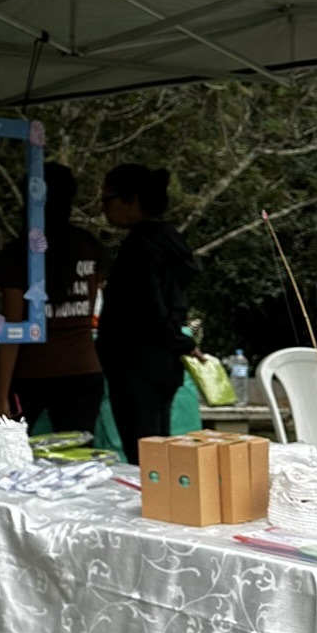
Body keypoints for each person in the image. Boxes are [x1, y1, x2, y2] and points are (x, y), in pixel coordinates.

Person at [95, 161, 199, 465]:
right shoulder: (170, 240)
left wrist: (180, 342)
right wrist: (180, 342)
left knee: (144, 454)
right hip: (162, 362)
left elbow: (149, 306)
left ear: (133, 200)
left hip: (136, 362)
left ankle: (154, 509)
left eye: (107, 200)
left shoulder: (141, 245)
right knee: (157, 448)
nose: (104, 209)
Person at [0, 162, 105, 436]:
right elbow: (88, 308)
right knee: (78, 464)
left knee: (9, 456)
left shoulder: (19, 252)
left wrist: (0, 396)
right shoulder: (88, 245)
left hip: (33, 373)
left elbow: (13, 328)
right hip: (83, 371)